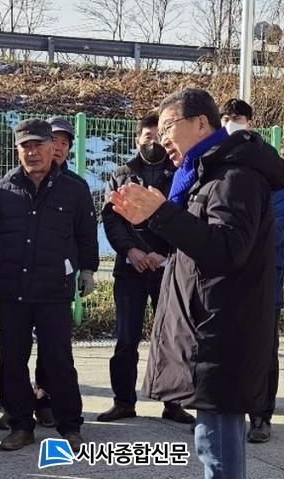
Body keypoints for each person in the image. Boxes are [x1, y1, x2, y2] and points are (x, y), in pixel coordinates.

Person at [109, 88, 284, 479]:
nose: (163, 140)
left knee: (217, 450)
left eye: (168, 128)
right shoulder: (200, 174)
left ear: (201, 123)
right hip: (209, 328)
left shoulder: (234, 176)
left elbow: (226, 249)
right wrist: (150, 217)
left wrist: (161, 214)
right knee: (213, 447)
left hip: (222, 333)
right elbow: (189, 243)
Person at [0, 118, 98, 452]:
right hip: (13, 291)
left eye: (38, 145)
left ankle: (70, 425)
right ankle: (20, 424)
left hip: (54, 291)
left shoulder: (75, 189)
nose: (32, 152)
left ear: (52, 147)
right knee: (11, 360)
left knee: (58, 359)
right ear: (17, 150)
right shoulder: (2, 190)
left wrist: (88, 270)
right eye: (25, 146)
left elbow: (86, 234)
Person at [97, 112, 193, 425]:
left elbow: (185, 217)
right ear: (137, 138)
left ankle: (173, 402)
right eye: (147, 136)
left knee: (171, 338)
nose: (153, 142)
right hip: (130, 270)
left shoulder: (180, 174)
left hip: (168, 268)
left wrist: (162, 253)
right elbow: (112, 218)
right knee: (126, 338)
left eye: (158, 137)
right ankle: (123, 401)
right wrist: (132, 250)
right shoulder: (122, 174)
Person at [220, 98, 284, 443]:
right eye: (226, 118)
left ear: (250, 123)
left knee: (264, 351)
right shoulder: (217, 167)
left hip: (264, 279)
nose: (231, 123)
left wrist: (235, 242)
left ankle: (261, 416)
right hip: (225, 280)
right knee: (224, 348)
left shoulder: (273, 174)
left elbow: (276, 229)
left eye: (237, 118)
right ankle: (222, 410)